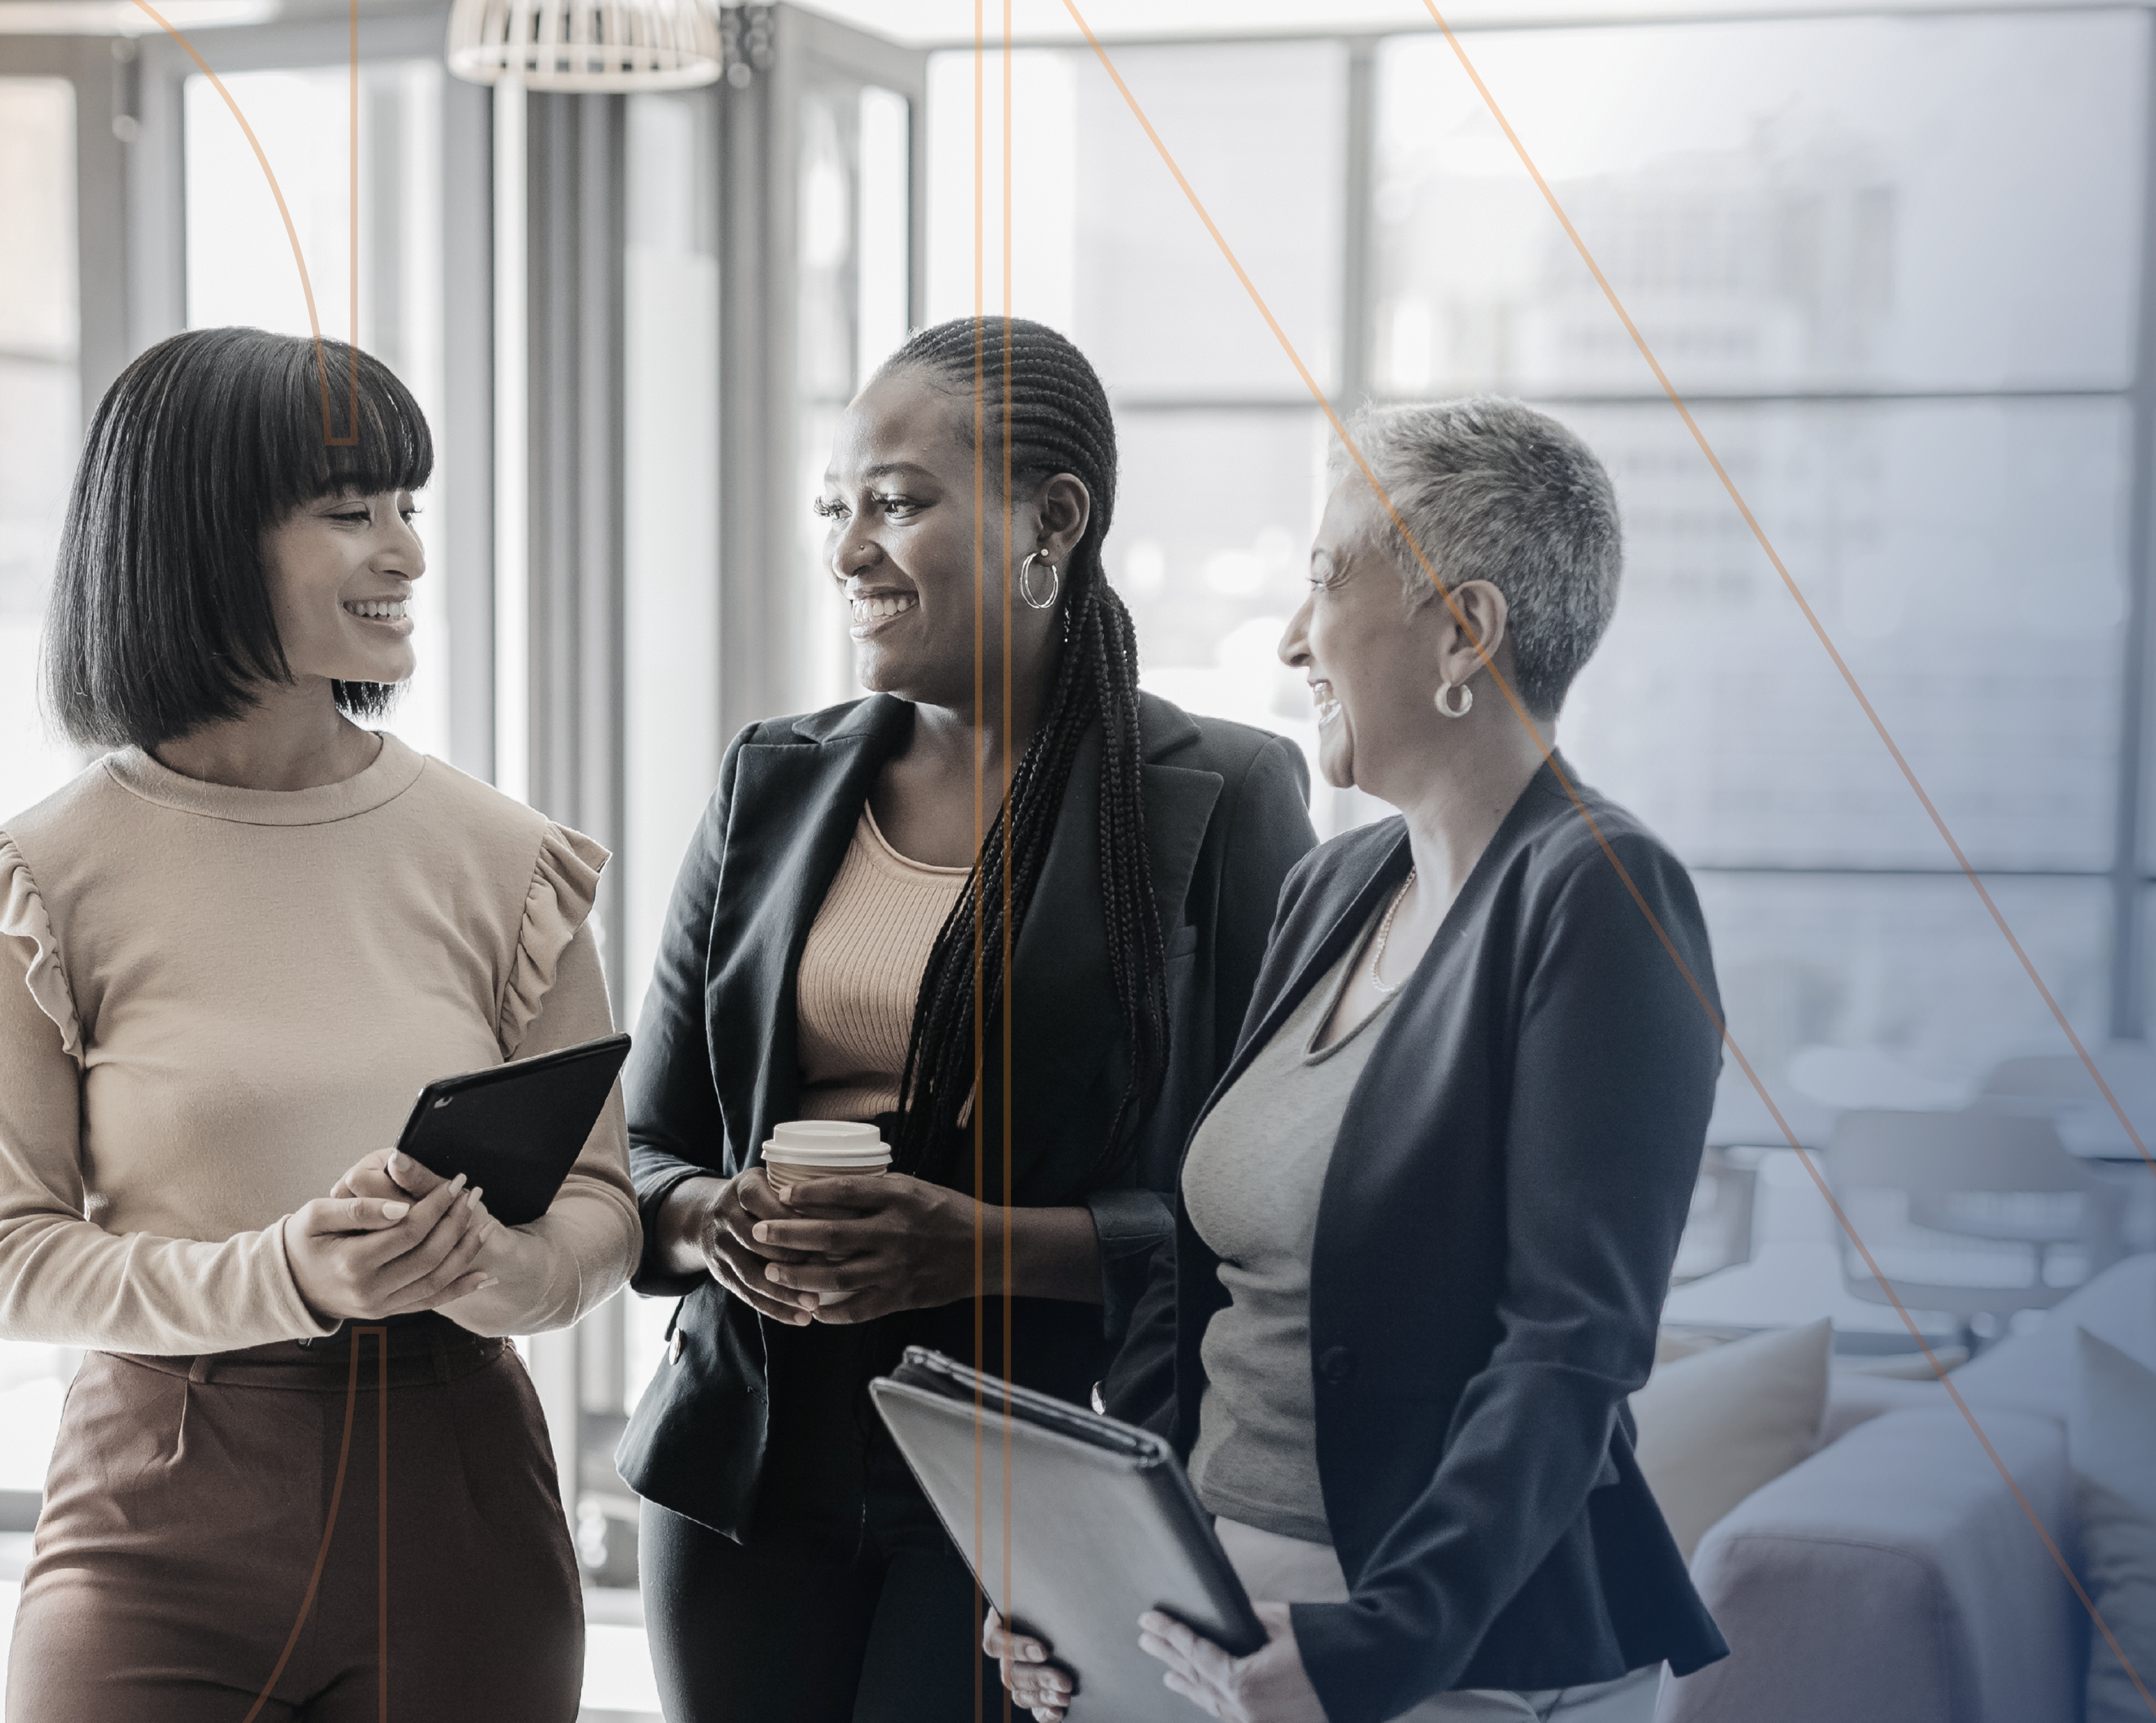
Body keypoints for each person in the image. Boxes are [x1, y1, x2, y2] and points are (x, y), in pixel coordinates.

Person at [986, 397, 1731, 1723]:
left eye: (1323, 578)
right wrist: (1101, 1573)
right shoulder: (1332, 889)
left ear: (1464, 630)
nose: (1288, 639)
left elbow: (1568, 1347)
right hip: (1217, 1611)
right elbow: (1199, 1281)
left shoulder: (1600, 894)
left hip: (1438, 1655)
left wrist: (1382, 1644)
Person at [617, 316, 1320, 1723]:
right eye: (839, 508)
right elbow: (640, 1149)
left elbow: (1259, 1218)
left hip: (1025, 1477)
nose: (847, 552)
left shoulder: (1219, 800)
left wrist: (971, 1252)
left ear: (1048, 520)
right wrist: (717, 1224)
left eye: (897, 501)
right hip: (741, 1461)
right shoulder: (770, 783)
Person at [0, 327, 639, 1722]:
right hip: (156, 1513)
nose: (406, 553)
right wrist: (286, 1276)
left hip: (455, 1499)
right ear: (198, 541)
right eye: (348, 513)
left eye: (407, 507)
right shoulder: (39, 879)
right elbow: (11, 1262)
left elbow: (601, 1207)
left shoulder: (507, 861)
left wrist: (496, 1272)